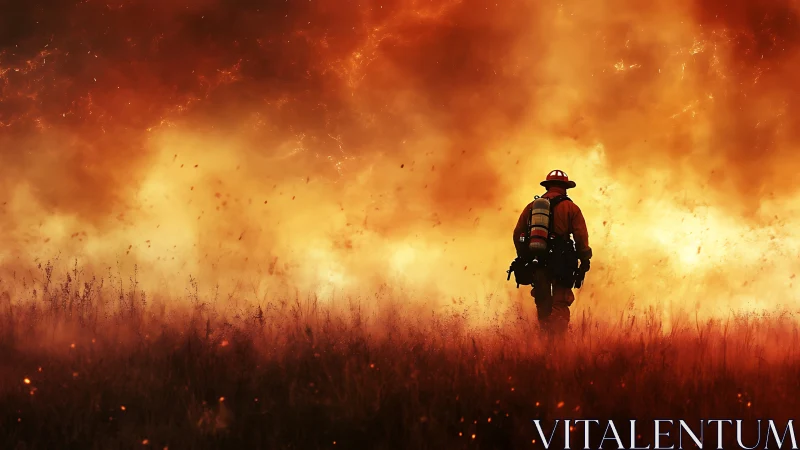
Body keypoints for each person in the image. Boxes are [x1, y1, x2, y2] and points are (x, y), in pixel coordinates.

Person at [512, 170, 592, 336]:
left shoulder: (532, 207)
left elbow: (517, 233)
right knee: (560, 302)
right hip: (562, 261)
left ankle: (543, 341)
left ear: (547, 186)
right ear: (565, 187)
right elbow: (580, 235)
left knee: (542, 302)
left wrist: (525, 256)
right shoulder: (571, 207)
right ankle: (557, 345)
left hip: (538, 259)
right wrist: (585, 259)